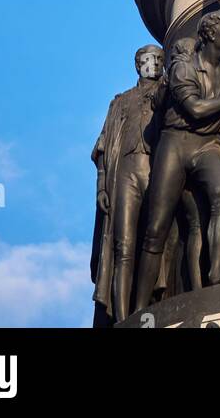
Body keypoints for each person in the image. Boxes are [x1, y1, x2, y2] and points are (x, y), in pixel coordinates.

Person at [133, 12, 220, 311]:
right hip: (176, 143)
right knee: (156, 229)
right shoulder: (183, 66)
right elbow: (194, 108)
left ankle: (215, 273)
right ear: (209, 34)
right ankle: (141, 308)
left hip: (209, 144)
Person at [90, 44, 165, 326]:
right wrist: (101, 187)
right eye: (149, 60)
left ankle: (149, 308)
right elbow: (101, 148)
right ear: (138, 65)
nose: (155, 64)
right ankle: (123, 319)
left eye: (160, 59)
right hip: (125, 174)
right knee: (123, 246)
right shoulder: (120, 102)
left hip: (155, 170)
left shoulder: (167, 94)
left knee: (153, 240)